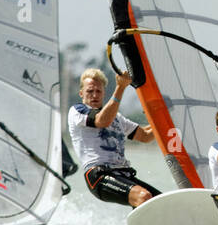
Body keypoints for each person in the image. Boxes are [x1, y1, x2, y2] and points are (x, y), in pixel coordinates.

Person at [68, 68, 159, 208]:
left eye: (98, 91)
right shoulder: (77, 111)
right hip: (98, 176)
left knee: (163, 201)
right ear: (81, 93)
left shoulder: (116, 117)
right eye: (90, 91)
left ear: (104, 93)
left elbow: (145, 135)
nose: (94, 95)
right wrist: (120, 88)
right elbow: (101, 121)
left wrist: (165, 118)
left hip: (123, 174)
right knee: (143, 196)